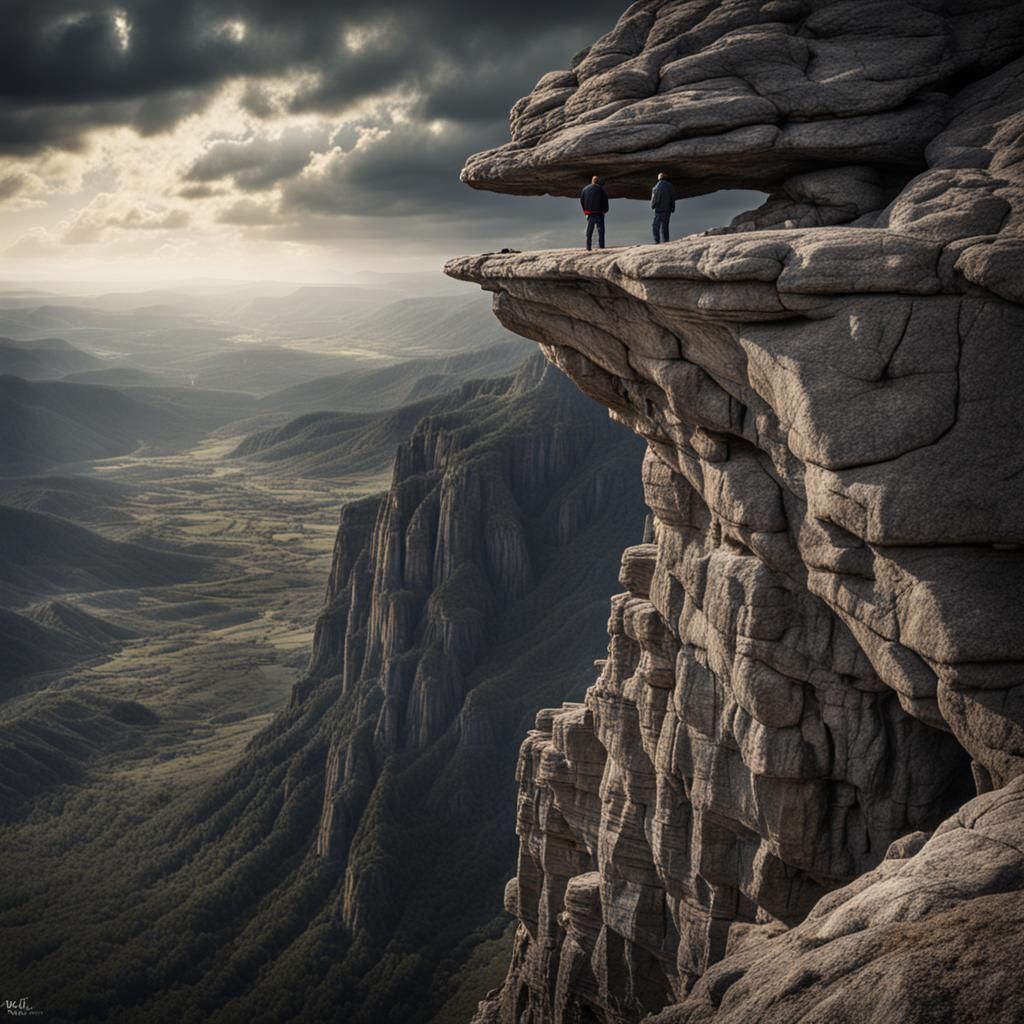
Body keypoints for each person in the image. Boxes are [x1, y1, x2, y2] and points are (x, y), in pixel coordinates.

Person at [579, 175, 609, 250]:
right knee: (600, 231)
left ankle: (588, 247)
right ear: (598, 182)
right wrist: (605, 210)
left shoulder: (585, 189)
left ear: (592, 181)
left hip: (589, 213)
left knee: (589, 231)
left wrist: (585, 211)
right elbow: (605, 200)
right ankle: (601, 246)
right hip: (599, 213)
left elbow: (582, 201)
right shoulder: (601, 189)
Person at [651, 172, 676, 243]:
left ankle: (657, 241)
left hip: (659, 210)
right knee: (665, 226)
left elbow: (654, 199)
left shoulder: (656, 187)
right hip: (667, 210)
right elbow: (672, 198)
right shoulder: (670, 186)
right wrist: (672, 208)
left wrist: (653, 206)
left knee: (655, 226)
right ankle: (666, 240)